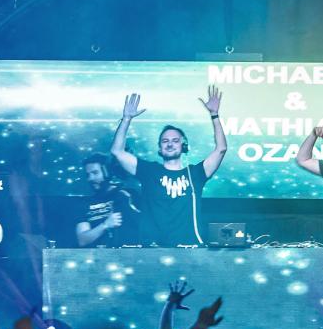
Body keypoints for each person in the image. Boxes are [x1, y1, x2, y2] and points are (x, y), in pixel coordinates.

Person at [109, 87, 227, 246]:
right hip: (153, 249)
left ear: (183, 145)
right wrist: (126, 119)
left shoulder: (195, 173)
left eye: (175, 141)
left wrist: (214, 115)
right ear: (160, 147)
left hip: (189, 248)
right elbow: (117, 151)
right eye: (165, 141)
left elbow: (221, 149)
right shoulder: (149, 171)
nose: (170, 144)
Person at [74, 153, 138, 247]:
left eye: (95, 173)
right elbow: (82, 240)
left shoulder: (128, 194)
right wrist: (105, 225)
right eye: (88, 175)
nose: (90, 178)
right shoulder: (84, 204)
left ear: (108, 172)